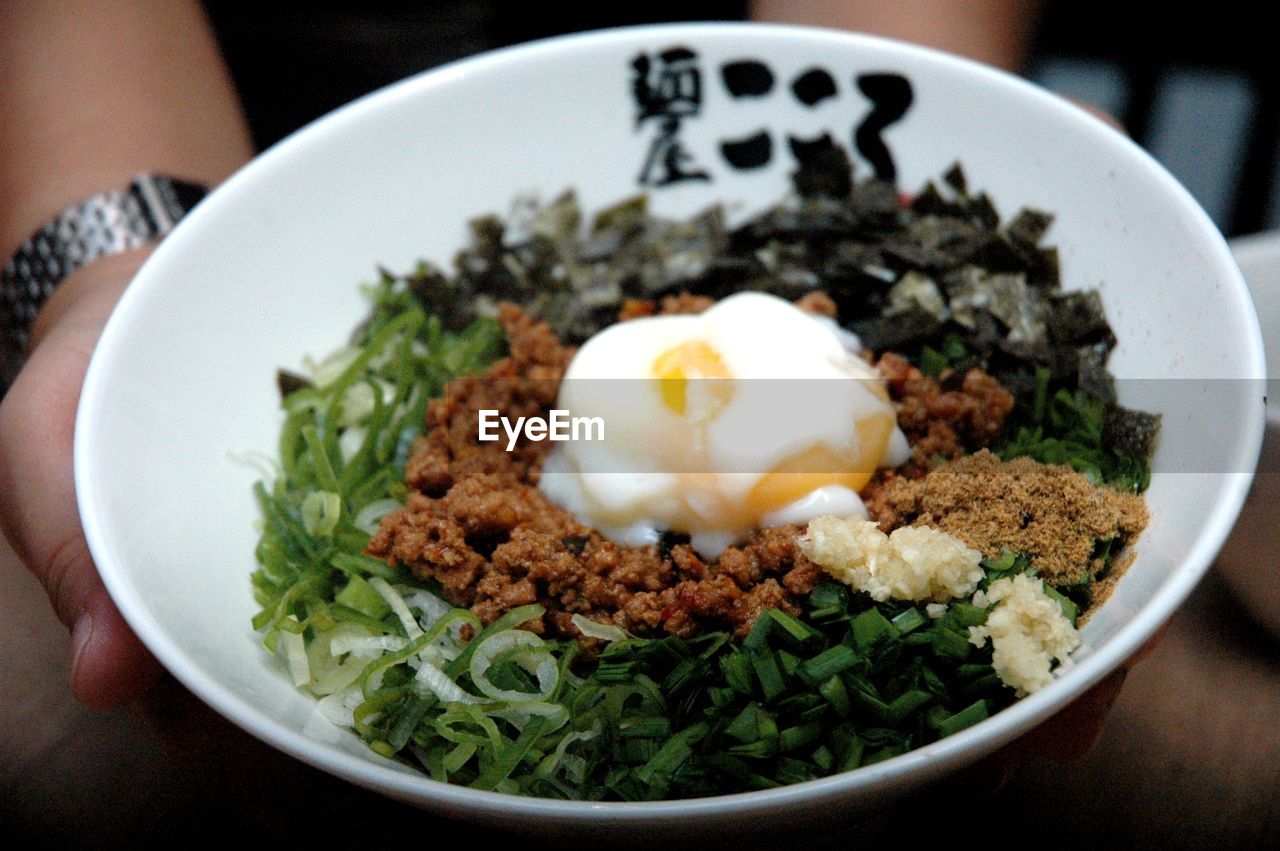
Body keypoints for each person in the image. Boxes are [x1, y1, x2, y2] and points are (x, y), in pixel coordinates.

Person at [0, 0, 1156, 837]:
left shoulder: (890, 436)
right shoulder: (517, 438)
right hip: (255, 148)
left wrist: (934, 118)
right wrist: (120, 265)